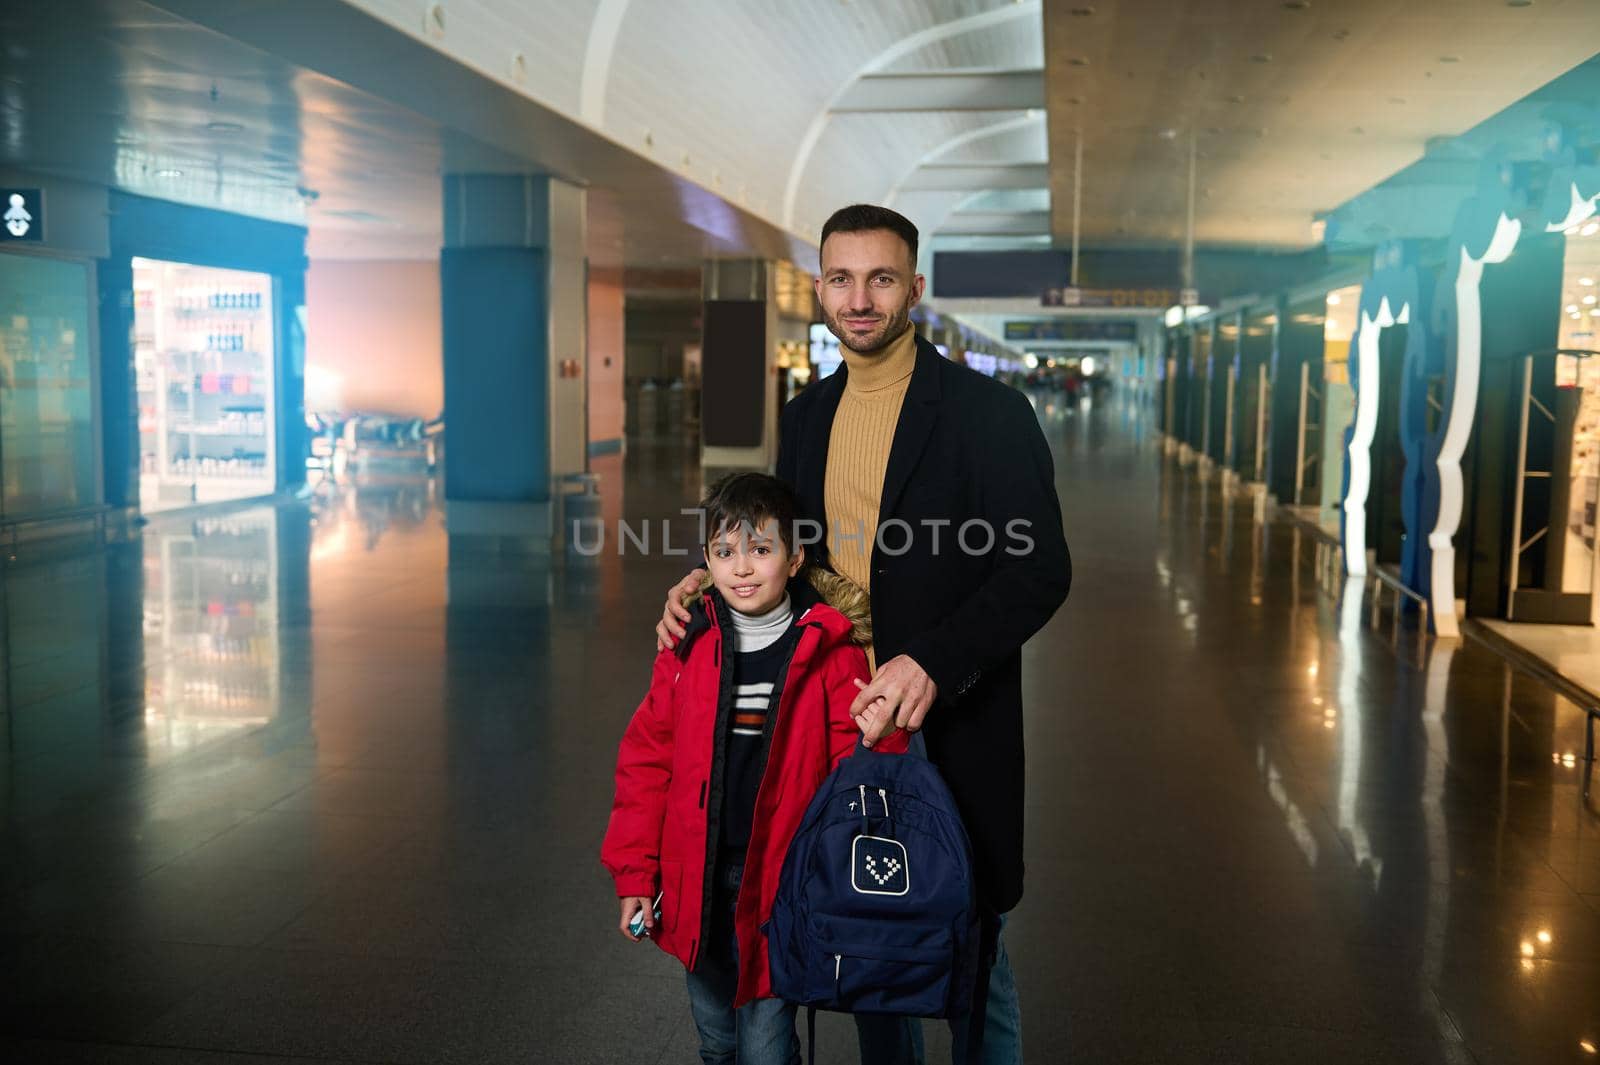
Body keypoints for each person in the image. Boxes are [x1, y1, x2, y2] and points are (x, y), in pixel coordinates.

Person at [658, 204, 1072, 1063]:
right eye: (841, 278)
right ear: (818, 288)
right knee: (867, 935)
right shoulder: (806, 418)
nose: (860, 297)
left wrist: (934, 660)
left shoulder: (989, 414)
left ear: (913, 288)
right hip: (841, 720)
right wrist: (706, 583)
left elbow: (1040, 568)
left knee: (973, 948)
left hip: (950, 723)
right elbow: (784, 549)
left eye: (881, 278)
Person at [604, 473, 908, 1065]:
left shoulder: (828, 650)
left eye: (761, 550)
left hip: (778, 890)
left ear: (794, 559)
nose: (742, 568)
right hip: (698, 884)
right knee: (717, 1042)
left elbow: (859, 771)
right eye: (724, 552)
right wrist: (636, 877)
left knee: (765, 1049)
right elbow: (646, 765)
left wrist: (885, 732)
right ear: (706, 562)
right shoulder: (689, 645)